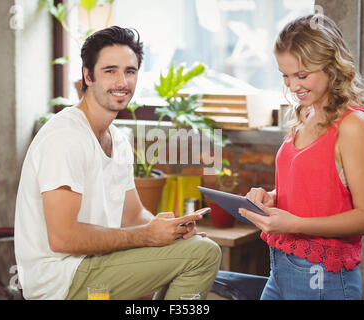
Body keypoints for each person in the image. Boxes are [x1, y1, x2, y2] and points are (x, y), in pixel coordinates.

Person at [14, 26, 221, 300]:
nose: (122, 81)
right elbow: (62, 237)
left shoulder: (118, 139)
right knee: (204, 255)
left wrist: (171, 232)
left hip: (94, 264)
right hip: (61, 279)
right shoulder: (66, 137)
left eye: (130, 71)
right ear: (88, 76)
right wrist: (147, 236)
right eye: (110, 71)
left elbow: (133, 215)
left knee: (195, 246)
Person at [238, 14, 364, 300]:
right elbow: (315, 188)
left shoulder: (353, 125)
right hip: (280, 266)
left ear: (332, 66)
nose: (292, 86)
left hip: (323, 276)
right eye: (285, 76)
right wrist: (273, 197)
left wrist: (294, 224)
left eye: (302, 75)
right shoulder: (305, 113)